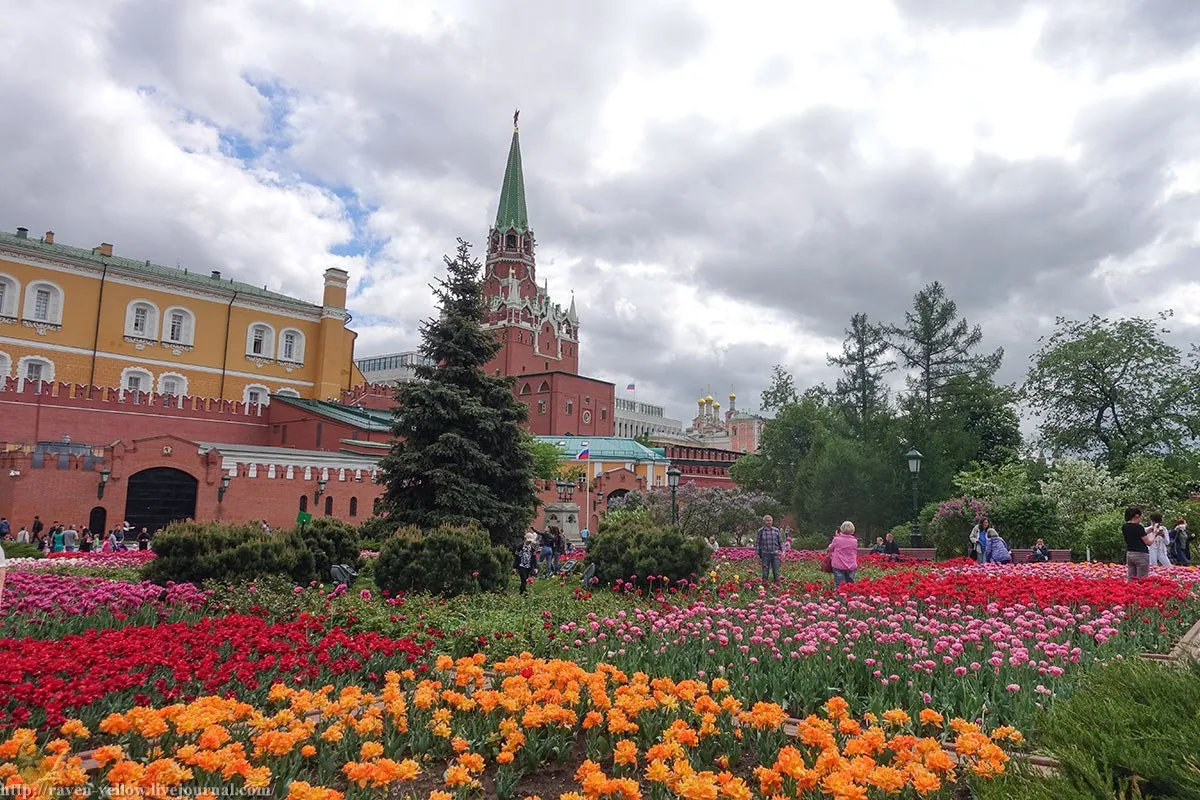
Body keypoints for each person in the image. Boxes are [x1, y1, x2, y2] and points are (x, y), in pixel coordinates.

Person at [1123, 506, 1154, 580]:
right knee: (1141, 579)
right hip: (1141, 554)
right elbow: (1149, 542)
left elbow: (1136, 535)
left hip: (1130, 554)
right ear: (1137, 516)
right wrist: (1155, 534)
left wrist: (1148, 531)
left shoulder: (1125, 526)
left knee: (1131, 578)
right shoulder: (1138, 527)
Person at [828, 521, 859, 589]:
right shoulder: (854, 541)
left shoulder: (836, 539)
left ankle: (840, 599)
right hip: (851, 566)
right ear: (853, 530)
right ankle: (850, 598)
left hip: (838, 565)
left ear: (842, 529)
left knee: (839, 586)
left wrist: (836, 536)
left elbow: (830, 548)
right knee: (851, 586)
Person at [756, 514, 783, 583]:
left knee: (776, 573)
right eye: (767, 521)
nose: (769, 522)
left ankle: (777, 588)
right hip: (765, 555)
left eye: (770, 520)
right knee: (765, 573)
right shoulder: (761, 531)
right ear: (764, 522)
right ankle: (764, 588)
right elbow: (758, 543)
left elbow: (780, 542)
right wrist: (757, 554)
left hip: (775, 554)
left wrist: (783, 551)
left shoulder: (776, 530)